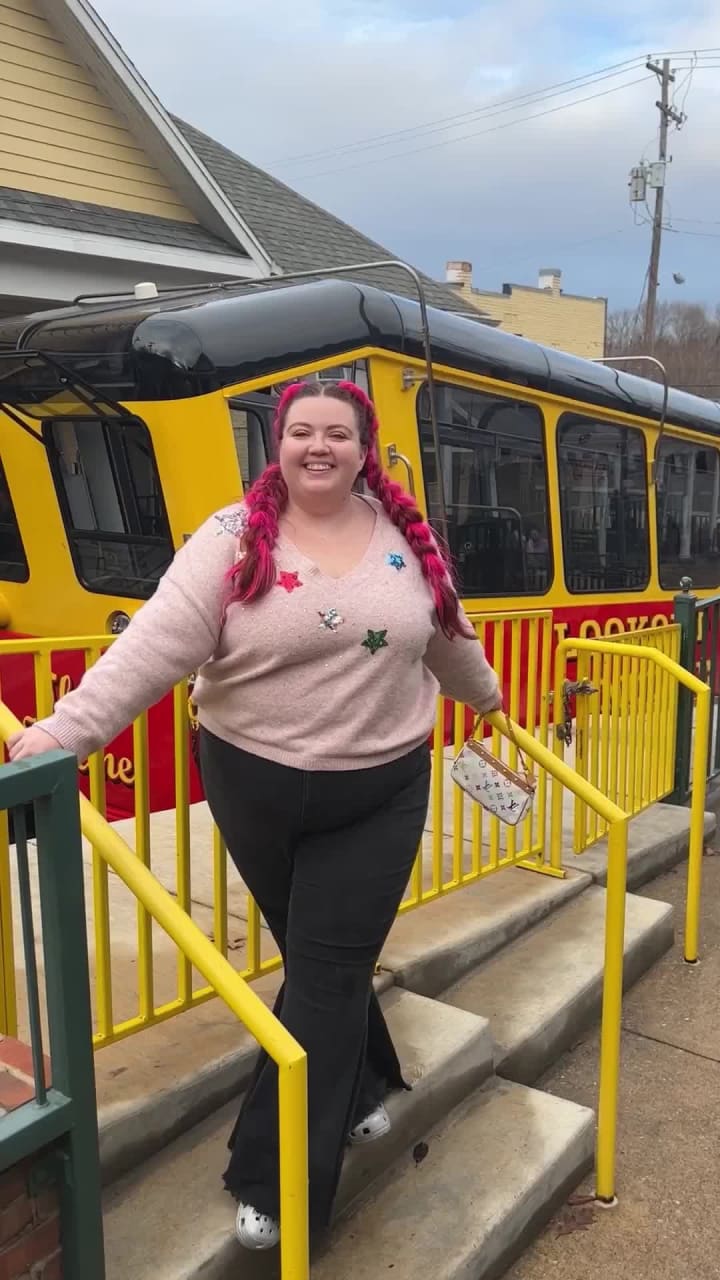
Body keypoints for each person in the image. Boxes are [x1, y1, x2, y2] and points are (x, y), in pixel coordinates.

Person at [9, 380, 501, 1251]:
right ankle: (363, 1083)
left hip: (381, 792)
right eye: (301, 432)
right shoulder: (233, 540)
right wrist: (62, 735)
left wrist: (491, 700)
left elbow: (446, 636)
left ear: (364, 448)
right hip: (253, 786)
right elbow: (153, 647)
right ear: (277, 444)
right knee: (321, 966)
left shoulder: (404, 536)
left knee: (322, 977)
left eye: (338, 434)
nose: (319, 446)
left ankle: (274, 1180)